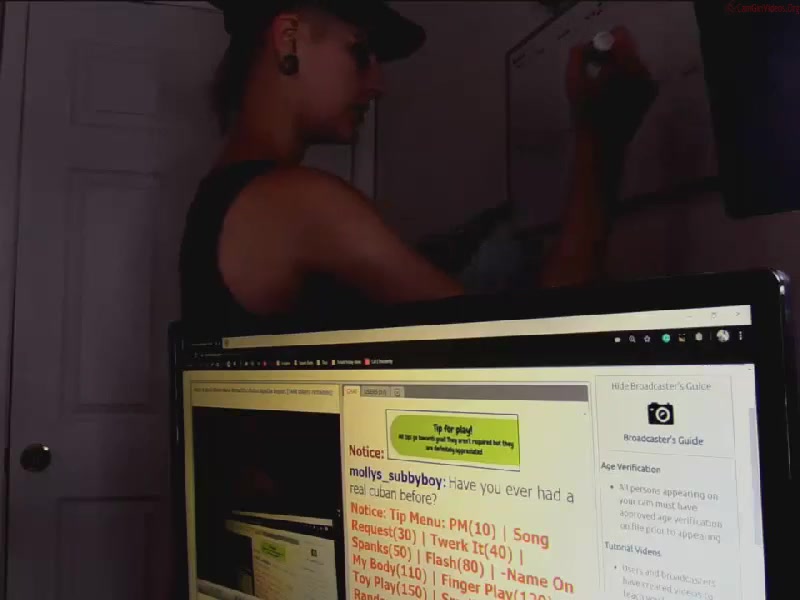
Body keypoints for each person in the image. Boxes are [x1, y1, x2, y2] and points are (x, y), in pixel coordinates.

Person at [180, 0, 653, 328]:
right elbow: (523, 353)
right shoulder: (296, 202)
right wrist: (598, 142)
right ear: (288, 39)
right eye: (359, 51)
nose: (378, 84)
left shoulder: (224, 195)